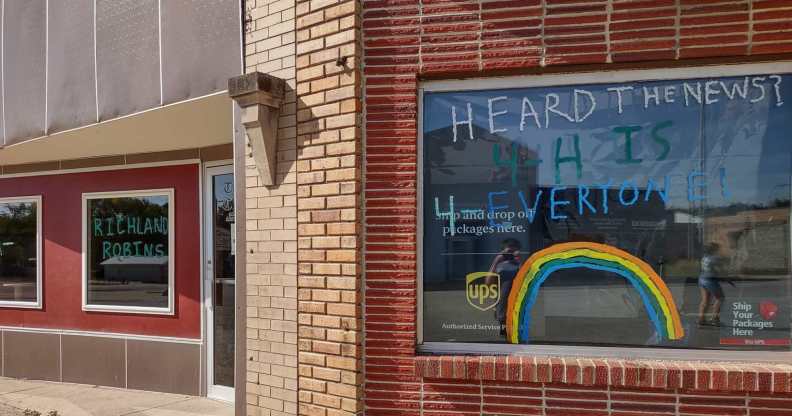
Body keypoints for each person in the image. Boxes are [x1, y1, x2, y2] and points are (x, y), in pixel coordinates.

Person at [487, 238, 522, 336]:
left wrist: (519, 261)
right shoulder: (499, 265)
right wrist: (496, 261)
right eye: (508, 252)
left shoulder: (518, 264)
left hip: (516, 306)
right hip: (502, 307)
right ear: (502, 252)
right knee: (505, 333)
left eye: (513, 251)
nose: (510, 255)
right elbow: (488, 283)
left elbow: (525, 280)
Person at [698, 242, 725, 326]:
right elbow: (721, 268)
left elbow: (711, 268)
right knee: (720, 298)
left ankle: (701, 319)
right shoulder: (714, 258)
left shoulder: (704, 258)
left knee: (705, 300)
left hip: (702, 279)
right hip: (711, 280)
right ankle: (715, 318)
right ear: (713, 250)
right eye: (717, 249)